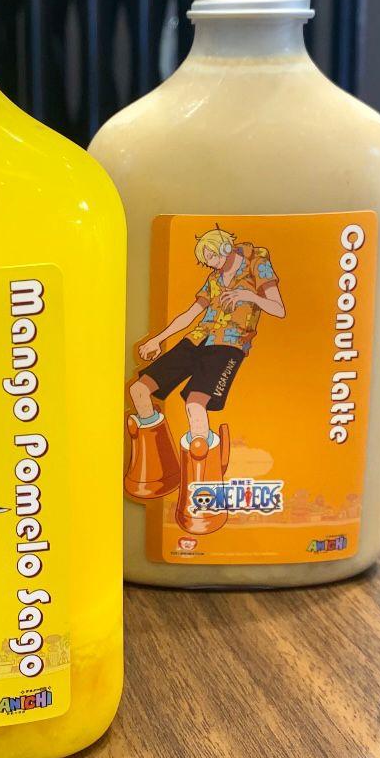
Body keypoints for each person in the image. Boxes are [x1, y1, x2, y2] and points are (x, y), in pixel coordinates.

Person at [124, 226, 286, 532]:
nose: (210, 264)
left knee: (194, 406)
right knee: (139, 391)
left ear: (223, 247)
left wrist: (247, 295)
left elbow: (278, 309)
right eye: (206, 260)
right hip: (197, 339)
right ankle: (157, 474)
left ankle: (202, 503)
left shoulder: (257, 263)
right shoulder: (213, 279)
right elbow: (189, 315)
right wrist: (157, 339)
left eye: (211, 257)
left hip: (229, 344)